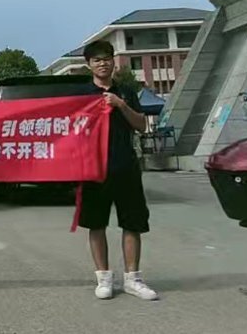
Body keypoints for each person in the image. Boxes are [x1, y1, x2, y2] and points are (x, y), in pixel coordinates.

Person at [77, 40, 157, 301]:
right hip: (93, 169)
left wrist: (120, 104)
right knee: (96, 223)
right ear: (89, 64)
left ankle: (133, 279)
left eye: (107, 58)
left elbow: (142, 126)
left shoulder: (126, 91)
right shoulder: (81, 95)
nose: (103, 63)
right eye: (97, 59)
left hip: (125, 166)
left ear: (113, 61)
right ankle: (104, 278)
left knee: (132, 223)